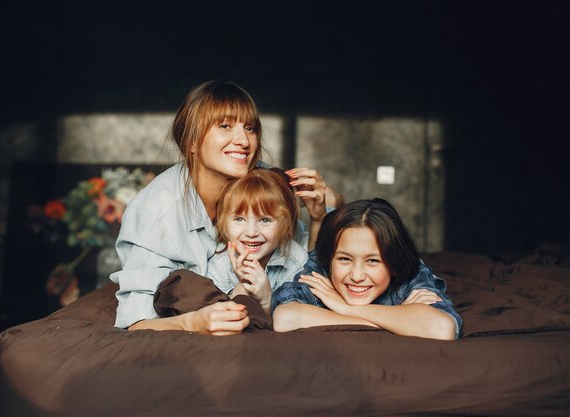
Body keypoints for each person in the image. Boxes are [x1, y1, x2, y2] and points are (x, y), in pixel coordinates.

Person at [110, 80, 327, 334]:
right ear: (191, 142)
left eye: (250, 128)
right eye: (225, 126)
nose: (244, 141)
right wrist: (193, 323)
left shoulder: (261, 179)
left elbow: (320, 233)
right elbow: (136, 323)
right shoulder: (155, 211)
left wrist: (322, 211)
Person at [271, 198, 462, 340]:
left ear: (394, 264)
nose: (356, 276)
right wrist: (395, 322)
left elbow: (441, 329)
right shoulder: (320, 270)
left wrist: (345, 308)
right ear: (329, 260)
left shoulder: (411, 274)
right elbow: (285, 318)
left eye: (372, 261)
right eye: (345, 259)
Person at [206, 168, 309, 314]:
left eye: (265, 220)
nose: (251, 232)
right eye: (239, 219)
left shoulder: (295, 261)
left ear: (284, 225)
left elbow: (292, 321)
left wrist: (268, 300)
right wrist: (241, 289)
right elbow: (219, 319)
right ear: (224, 222)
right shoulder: (217, 262)